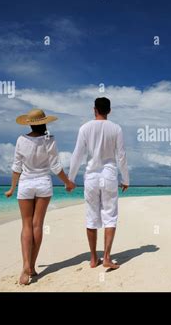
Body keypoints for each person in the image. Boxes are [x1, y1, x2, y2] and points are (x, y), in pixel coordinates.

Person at [5, 108, 76, 285]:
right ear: (44, 122)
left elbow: (17, 167)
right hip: (43, 184)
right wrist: (67, 182)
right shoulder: (49, 139)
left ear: (29, 123)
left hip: (26, 185)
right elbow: (55, 166)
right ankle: (32, 266)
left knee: (26, 225)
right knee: (38, 225)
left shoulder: (21, 140)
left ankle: (25, 267)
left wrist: (12, 188)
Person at [68, 97, 129, 270]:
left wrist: (70, 179)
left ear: (94, 109)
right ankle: (107, 257)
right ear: (109, 111)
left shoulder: (85, 128)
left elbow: (77, 155)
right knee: (110, 216)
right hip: (109, 175)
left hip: (91, 177)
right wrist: (125, 179)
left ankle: (94, 259)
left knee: (91, 217)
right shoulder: (116, 128)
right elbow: (122, 155)